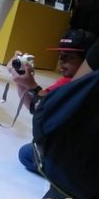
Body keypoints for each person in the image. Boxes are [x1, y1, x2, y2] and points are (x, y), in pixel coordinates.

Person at [7, 29, 97, 174]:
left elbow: (48, 110)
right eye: (60, 57)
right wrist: (20, 79)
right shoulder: (65, 81)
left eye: (69, 58)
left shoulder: (84, 86)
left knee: (27, 154)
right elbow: (35, 106)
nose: (62, 62)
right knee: (30, 152)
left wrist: (32, 85)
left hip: (80, 149)